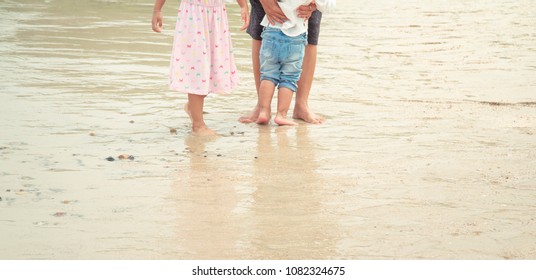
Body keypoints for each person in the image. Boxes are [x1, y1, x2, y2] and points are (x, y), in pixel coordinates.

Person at [152, 0, 249, 136]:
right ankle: (198, 125)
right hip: (193, 15)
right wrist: (157, 10)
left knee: (213, 64)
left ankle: (193, 108)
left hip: (216, 14)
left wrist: (243, 5)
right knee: (197, 65)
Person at [239, 0, 329, 124]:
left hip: (271, 32)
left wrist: (313, 7)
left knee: (268, 74)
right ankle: (280, 114)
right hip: (297, 35)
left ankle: (266, 108)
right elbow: (327, 5)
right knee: (289, 78)